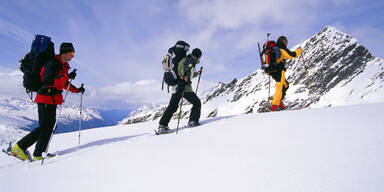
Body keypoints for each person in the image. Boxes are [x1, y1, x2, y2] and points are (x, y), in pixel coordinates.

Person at [11, 42, 85, 161]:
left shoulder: (62, 65)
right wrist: (66, 77)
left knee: (49, 127)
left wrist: (76, 90)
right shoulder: (53, 63)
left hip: (52, 99)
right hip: (45, 98)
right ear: (64, 52)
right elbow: (47, 80)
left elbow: (64, 84)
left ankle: (33, 151)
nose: (73, 56)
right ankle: (33, 152)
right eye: (71, 53)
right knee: (46, 127)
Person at [158, 48, 203, 134]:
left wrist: (197, 73)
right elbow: (181, 68)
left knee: (173, 106)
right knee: (197, 102)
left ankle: (162, 126)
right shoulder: (190, 60)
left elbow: (189, 74)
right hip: (184, 88)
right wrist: (182, 77)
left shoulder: (189, 60)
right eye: (200, 57)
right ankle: (193, 122)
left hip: (177, 87)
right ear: (198, 56)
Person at [270, 36, 302, 111]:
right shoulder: (281, 49)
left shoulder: (276, 49)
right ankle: (274, 106)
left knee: (285, 85)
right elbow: (292, 55)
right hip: (279, 70)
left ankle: (279, 102)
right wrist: (299, 50)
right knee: (279, 87)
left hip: (274, 71)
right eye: (286, 41)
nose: (287, 42)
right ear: (283, 41)